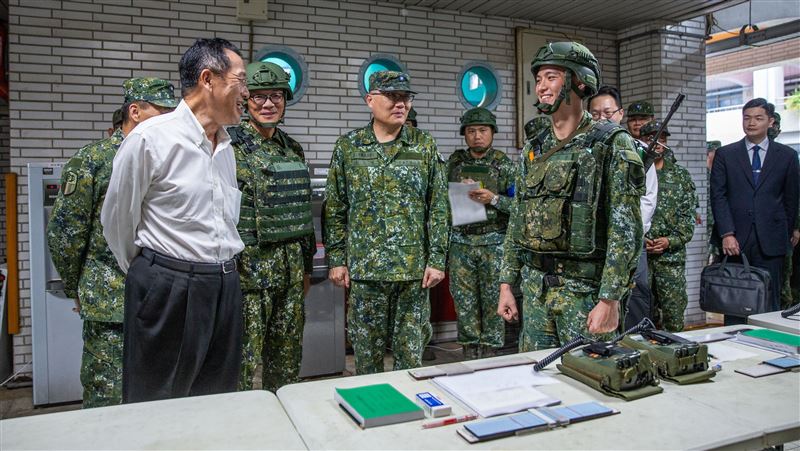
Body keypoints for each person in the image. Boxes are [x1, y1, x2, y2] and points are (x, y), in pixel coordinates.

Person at [101, 38, 249, 402]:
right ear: (208, 79)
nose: (246, 92)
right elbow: (118, 220)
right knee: (157, 398)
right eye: (240, 81)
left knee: (217, 395)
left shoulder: (226, 147)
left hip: (224, 285)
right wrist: (156, 273)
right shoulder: (152, 139)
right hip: (169, 287)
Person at [497, 42, 644, 350]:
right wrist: (506, 283)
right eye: (538, 80)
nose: (541, 87)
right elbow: (518, 220)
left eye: (551, 77)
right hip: (536, 291)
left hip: (586, 295)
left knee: (592, 383)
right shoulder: (534, 149)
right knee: (535, 385)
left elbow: (625, 230)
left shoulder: (611, 144)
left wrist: (611, 298)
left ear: (579, 81)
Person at [47, 78, 177, 408]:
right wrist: (76, 286)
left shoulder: (168, 158)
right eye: (160, 112)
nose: (168, 121)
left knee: (156, 395)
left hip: (160, 298)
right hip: (111, 303)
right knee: (108, 396)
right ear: (134, 111)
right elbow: (66, 233)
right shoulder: (93, 161)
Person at [324, 70, 449, 374]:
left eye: (405, 98)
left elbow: (439, 208)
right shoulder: (349, 147)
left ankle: (409, 418)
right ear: (370, 100)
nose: (400, 104)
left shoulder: (424, 146)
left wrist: (437, 259)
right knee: (366, 359)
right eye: (392, 97)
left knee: (411, 361)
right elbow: (336, 208)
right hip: (366, 274)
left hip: (413, 273)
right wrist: (337, 260)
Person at [229, 61, 315, 392]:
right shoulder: (228, 145)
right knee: (242, 363)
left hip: (290, 273)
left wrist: (306, 269)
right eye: (259, 97)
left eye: (276, 96)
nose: (268, 104)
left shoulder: (292, 148)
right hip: (247, 275)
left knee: (287, 361)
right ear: (245, 100)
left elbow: (302, 212)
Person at [711, 98, 799, 323]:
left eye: (758, 118)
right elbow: (718, 196)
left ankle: (769, 347)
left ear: (770, 121)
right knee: (735, 299)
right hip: (735, 241)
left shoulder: (787, 156)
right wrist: (727, 233)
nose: (751, 123)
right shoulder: (726, 154)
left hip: (772, 240)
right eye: (747, 117)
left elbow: (791, 198)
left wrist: (787, 231)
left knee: (770, 301)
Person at [447, 107, 515, 359]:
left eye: (483, 130)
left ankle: (490, 353)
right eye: (471, 131)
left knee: (492, 301)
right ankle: (469, 352)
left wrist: (493, 199)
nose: (477, 136)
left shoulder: (504, 165)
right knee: (464, 301)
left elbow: (519, 207)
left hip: (493, 243)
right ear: (464, 134)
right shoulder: (454, 163)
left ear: (492, 133)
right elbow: (441, 203)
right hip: (461, 243)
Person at [588, 86, 658, 330]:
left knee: (634, 297)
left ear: (620, 114)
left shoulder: (636, 151)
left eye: (607, 112)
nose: (601, 119)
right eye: (595, 114)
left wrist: (628, 230)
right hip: (593, 242)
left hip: (628, 240)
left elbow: (647, 199)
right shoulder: (585, 149)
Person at [641, 121, 698, 331]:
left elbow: (688, 218)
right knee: (640, 318)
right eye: (651, 139)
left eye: (661, 139)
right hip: (641, 258)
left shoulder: (680, 176)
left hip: (670, 260)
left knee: (673, 318)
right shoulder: (635, 173)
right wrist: (640, 238)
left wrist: (669, 241)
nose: (657, 144)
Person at [706, 140, 723, 264]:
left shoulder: (720, 172)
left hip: (719, 222)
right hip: (707, 221)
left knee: (717, 255)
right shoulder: (704, 173)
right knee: (706, 253)